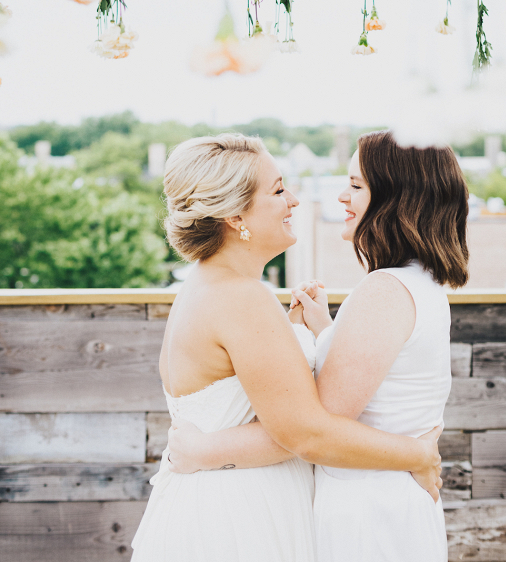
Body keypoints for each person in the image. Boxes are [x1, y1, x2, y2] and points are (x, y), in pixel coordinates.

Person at [131, 133, 442, 562]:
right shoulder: (242, 298)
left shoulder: (205, 288)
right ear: (235, 215)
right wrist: (418, 454)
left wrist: (316, 334)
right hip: (240, 517)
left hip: (217, 501)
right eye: (278, 190)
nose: (293, 200)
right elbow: (305, 432)